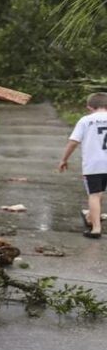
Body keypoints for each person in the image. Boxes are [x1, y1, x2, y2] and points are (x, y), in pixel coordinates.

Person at [59, 92, 107, 239]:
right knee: (101, 193)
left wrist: (64, 159)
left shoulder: (86, 120)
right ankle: (89, 218)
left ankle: (96, 228)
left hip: (93, 164)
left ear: (89, 107)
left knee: (94, 194)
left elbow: (74, 141)